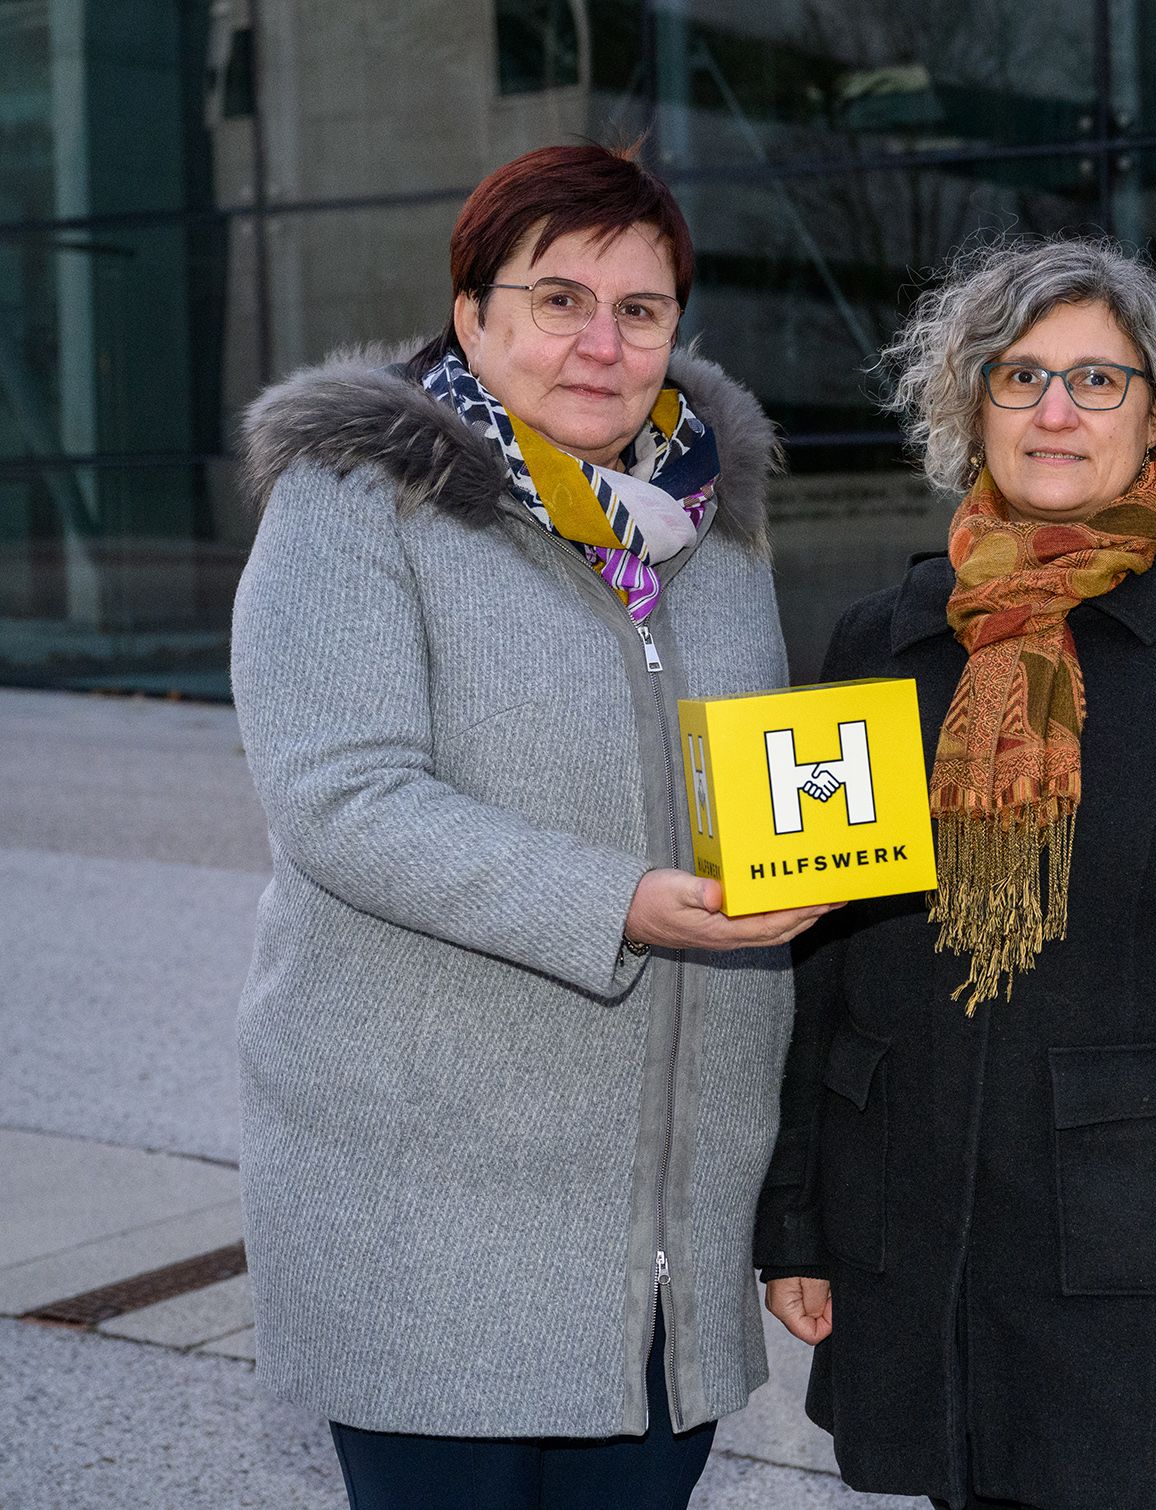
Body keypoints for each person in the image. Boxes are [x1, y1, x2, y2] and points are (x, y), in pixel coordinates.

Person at [230, 142, 832, 1510]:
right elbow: (344, 798)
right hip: (435, 1213)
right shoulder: (354, 503)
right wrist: (620, 897)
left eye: (641, 309)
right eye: (558, 299)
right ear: (473, 316)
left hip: (664, 1233)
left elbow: (753, 783)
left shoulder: (716, 531)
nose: (601, 343)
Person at [751, 238, 1156, 1510]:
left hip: (1146, 1265)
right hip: (914, 1241)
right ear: (967, 405)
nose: (1052, 411)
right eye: (1018, 375)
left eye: (1097, 381)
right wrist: (796, 1215)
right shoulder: (881, 639)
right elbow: (817, 962)